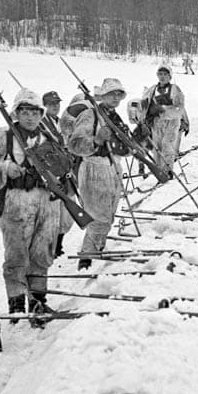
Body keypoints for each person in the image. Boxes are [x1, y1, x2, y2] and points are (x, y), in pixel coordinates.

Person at [0, 89, 62, 319]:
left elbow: (64, 163)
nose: (30, 117)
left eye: (34, 112)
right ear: (16, 113)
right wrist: (4, 168)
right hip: (17, 200)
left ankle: (38, 300)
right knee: (17, 255)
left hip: (46, 200)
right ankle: (16, 303)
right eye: (24, 112)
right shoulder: (2, 136)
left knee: (43, 253)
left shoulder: (48, 135)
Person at [66, 79, 130, 271]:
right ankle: (87, 258)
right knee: (98, 217)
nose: (116, 98)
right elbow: (75, 144)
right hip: (94, 168)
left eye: (119, 94)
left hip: (112, 168)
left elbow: (124, 147)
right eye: (111, 94)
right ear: (102, 96)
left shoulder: (114, 116)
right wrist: (96, 140)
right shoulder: (91, 115)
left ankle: (96, 249)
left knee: (108, 215)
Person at [41, 91, 73, 258]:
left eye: (57, 103)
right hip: (51, 172)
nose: (55, 106)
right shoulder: (41, 124)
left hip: (64, 170)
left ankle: (58, 246)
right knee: (52, 215)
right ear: (44, 106)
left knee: (65, 215)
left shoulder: (59, 123)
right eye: (51, 104)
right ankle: (51, 248)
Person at [142, 66, 186, 178]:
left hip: (171, 122)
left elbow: (179, 108)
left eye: (165, 74)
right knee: (156, 147)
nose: (162, 77)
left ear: (169, 76)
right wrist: (147, 115)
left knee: (167, 144)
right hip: (157, 123)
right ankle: (159, 172)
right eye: (160, 74)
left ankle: (168, 171)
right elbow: (144, 104)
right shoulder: (152, 89)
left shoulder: (175, 89)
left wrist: (163, 109)